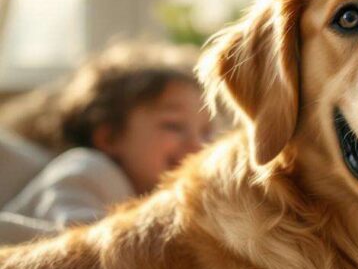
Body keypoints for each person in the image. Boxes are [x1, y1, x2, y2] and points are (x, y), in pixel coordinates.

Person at [2, 41, 212, 233]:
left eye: (206, 132)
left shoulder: (153, 199)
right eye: (173, 126)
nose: (198, 145)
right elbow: (81, 248)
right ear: (109, 138)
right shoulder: (88, 170)